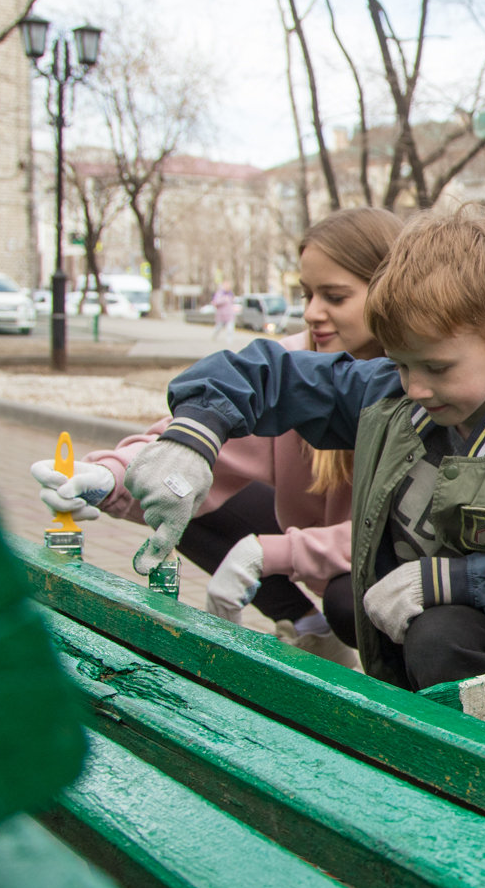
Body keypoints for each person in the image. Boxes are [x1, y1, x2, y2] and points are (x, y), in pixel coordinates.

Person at [114, 208, 485, 735]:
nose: (413, 387)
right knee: (354, 602)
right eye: (399, 363)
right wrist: (194, 434)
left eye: (435, 367)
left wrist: (442, 579)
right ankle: (429, 725)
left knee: (439, 638)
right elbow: (265, 372)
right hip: (452, 604)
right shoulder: (394, 395)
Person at [31, 208, 402, 667]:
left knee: (354, 601)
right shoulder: (293, 362)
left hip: (386, 571)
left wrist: (268, 553)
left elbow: (405, 537)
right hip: (325, 554)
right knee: (180, 489)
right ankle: (311, 631)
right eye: (306, 294)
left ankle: (396, 699)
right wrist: (110, 475)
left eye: (334, 296)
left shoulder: (423, 382)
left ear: (389, 292)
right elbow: (199, 441)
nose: (311, 313)